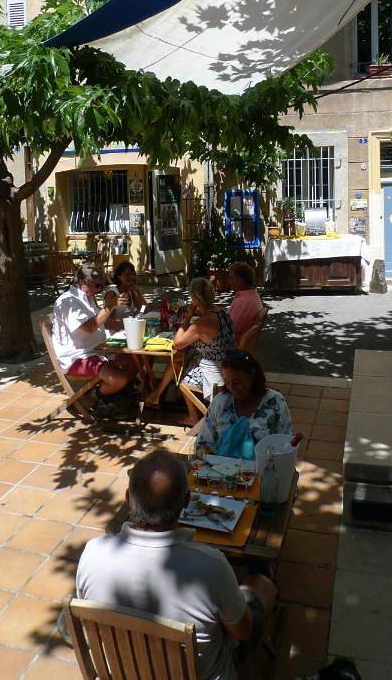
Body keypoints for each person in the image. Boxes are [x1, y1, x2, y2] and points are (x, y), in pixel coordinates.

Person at [76, 450, 277, 680]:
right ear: (187, 500)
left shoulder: (93, 553)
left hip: (125, 674)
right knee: (260, 584)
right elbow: (243, 632)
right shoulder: (212, 567)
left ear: (128, 498)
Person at [145, 277, 235, 425]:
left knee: (181, 373)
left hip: (215, 374)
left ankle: (193, 416)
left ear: (195, 299)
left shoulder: (201, 324)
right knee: (180, 358)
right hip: (228, 363)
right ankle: (157, 394)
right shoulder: (222, 312)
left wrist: (187, 318)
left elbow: (177, 344)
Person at [52, 263, 130, 407]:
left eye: (101, 286)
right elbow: (88, 328)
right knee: (119, 379)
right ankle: (96, 396)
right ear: (83, 282)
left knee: (132, 360)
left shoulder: (87, 297)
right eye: (97, 285)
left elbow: (103, 322)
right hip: (78, 357)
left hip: (98, 350)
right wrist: (110, 306)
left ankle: (116, 394)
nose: (99, 290)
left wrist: (130, 324)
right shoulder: (68, 302)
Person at [196, 350, 292, 452]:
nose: (232, 388)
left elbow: (286, 445)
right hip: (221, 462)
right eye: (227, 382)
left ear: (252, 375)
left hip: (264, 462)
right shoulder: (220, 402)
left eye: (237, 382)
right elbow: (202, 442)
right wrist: (206, 451)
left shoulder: (275, 402)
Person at [228, 262, 263, 344]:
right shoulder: (253, 295)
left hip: (232, 344)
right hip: (240, 340)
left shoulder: (242, 301)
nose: (229, 281)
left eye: (231, 278)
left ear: (240, 281)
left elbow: (229, 329)